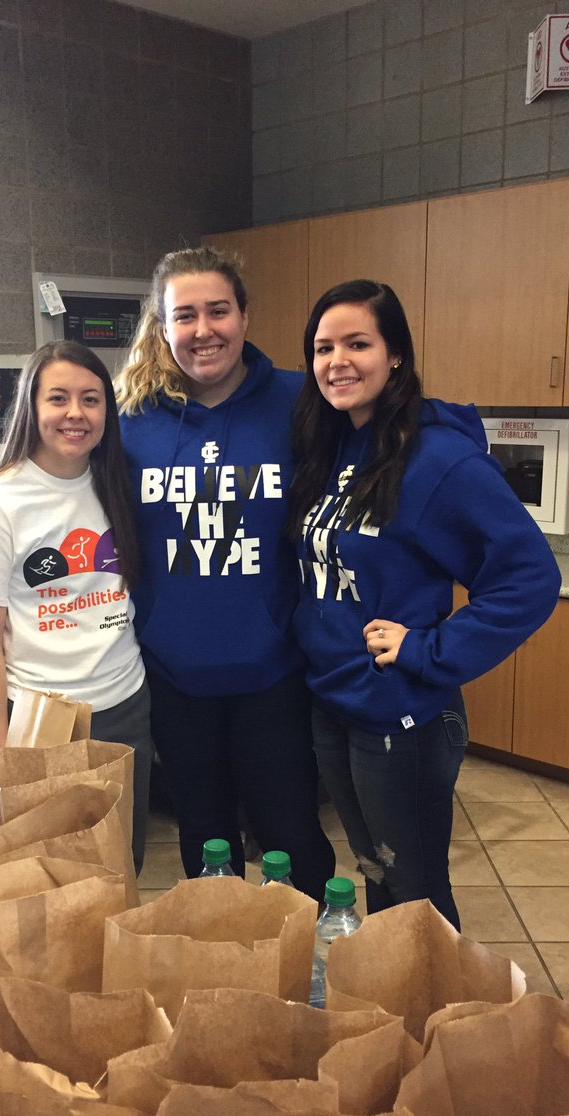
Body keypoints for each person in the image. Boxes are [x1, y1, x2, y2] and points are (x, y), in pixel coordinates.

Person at [288, 279, 561, 928]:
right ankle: (393, 1015)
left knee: (415, 896)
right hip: (332, 700)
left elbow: (529, 577)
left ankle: (438, 1021)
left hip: (401, 712)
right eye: (323, 348)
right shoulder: (330, 448)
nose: (337, 361)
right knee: (376, 873)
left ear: (397, 355)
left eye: (358, 343)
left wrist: (428, 648)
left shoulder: (437, 458)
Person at [115, 246, 335, 900]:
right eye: (185, 315)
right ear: (162, 328)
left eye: (219, 310)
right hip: (176, 675)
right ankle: (228, 974)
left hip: (274, 672)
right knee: (205, 843)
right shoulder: (130, 422)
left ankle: (311, 970)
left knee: (292, 837)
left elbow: (393, 425)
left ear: (244, 315)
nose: (204, 329)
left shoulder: (301, 400)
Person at [0, 341, 151, 872]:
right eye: (58, 398)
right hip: (40, 720)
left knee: (123, 865)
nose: (76, 414)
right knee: (55, 876)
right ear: (31, 408)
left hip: (126, 704)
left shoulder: (116, 484)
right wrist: (1, 755)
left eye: (92, 399)